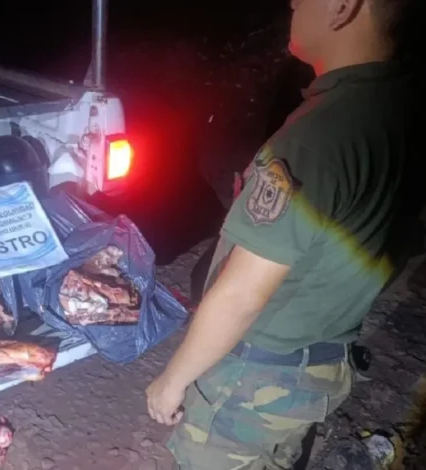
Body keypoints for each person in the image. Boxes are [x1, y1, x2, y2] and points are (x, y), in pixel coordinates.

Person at [146, 0, 424, 468]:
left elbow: (240, 297)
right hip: (321, 365)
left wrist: (171, 382)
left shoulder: (318, 136)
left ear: (342, 7)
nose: (293, 5)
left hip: (257, 379)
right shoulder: (400, 107)